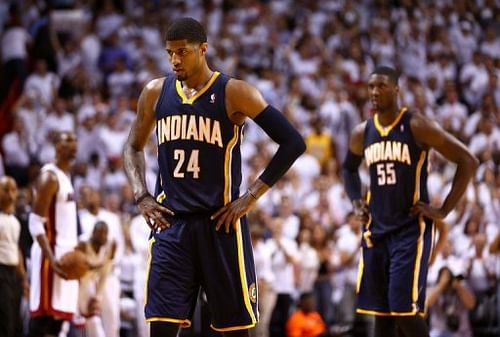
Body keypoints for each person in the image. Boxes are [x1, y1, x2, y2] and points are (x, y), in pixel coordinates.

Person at [123, 17, 305, 337]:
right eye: (170, 53)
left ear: (203, 49)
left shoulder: (234, 92)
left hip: (219, 224)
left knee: (234, 331)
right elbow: (132, 147)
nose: (175, 60)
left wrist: (249, 198)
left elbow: (293, 143)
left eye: (182, 52)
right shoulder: (155, 92)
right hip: (172, 225)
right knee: (161, 327)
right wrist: (141, 196)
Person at [341, 66, 478, 337]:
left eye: (381, 86)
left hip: (409, 230)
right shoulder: (362, 131)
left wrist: (443, 210)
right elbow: (348, 168)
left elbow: (468, 161)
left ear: (396, 89)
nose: (374, 92)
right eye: (370, 87)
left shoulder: (416, 125)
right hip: (376, 231)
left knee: (402, 309)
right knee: (382, 316)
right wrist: (356, 201)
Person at [28, 131, 79, 337]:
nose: (73, 144)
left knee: (58, 324)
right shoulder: (50, 177)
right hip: (50, 257)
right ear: (56, 147)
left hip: (65, 255)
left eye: (75, 140)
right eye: (67, 140)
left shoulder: (66, 177)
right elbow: (35, 223)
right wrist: (52, 259)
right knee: (43, 320)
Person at [0, 176, 28, 337]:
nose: (10, 195)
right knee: (5, 322)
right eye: (6, 190)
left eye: (13, 190)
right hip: (1, 271)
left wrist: (24, 278)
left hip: (13, 276)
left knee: (15, 323)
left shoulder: (15, 221)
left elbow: (16, 249)